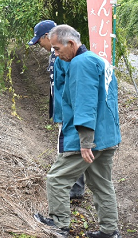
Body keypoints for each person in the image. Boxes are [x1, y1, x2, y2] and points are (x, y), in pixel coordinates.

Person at [34, 25, 121, 238]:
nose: (55, 53)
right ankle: (110, 231)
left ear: (71, 44)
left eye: (56, 49)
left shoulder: (80, 63)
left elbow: (85, 103)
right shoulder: (98, 59)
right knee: (101, 183)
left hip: (90, 136)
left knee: (57, 178)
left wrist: (85, 141)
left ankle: (59, 225)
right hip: (107, 134)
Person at [28, 20, 85, 200]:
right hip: (62, 110)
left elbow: (71, 83)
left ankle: (74, 188)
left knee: (69, 147)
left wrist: (67, 111)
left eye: (39, 41)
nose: (40, 46)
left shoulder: (63, 55)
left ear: (47, 36)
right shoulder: (56, 54)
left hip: (69, 111)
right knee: (67, 147)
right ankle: (72, 185)